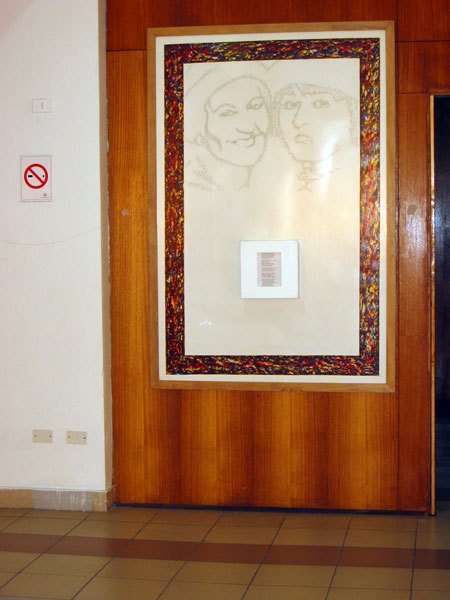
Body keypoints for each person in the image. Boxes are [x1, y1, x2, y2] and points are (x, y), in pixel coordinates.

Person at [184, 67, 271, 191]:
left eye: (255, 106)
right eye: (227, 113)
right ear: (199, 130)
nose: (247, 127)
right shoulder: (192, 187)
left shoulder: (271, 178)